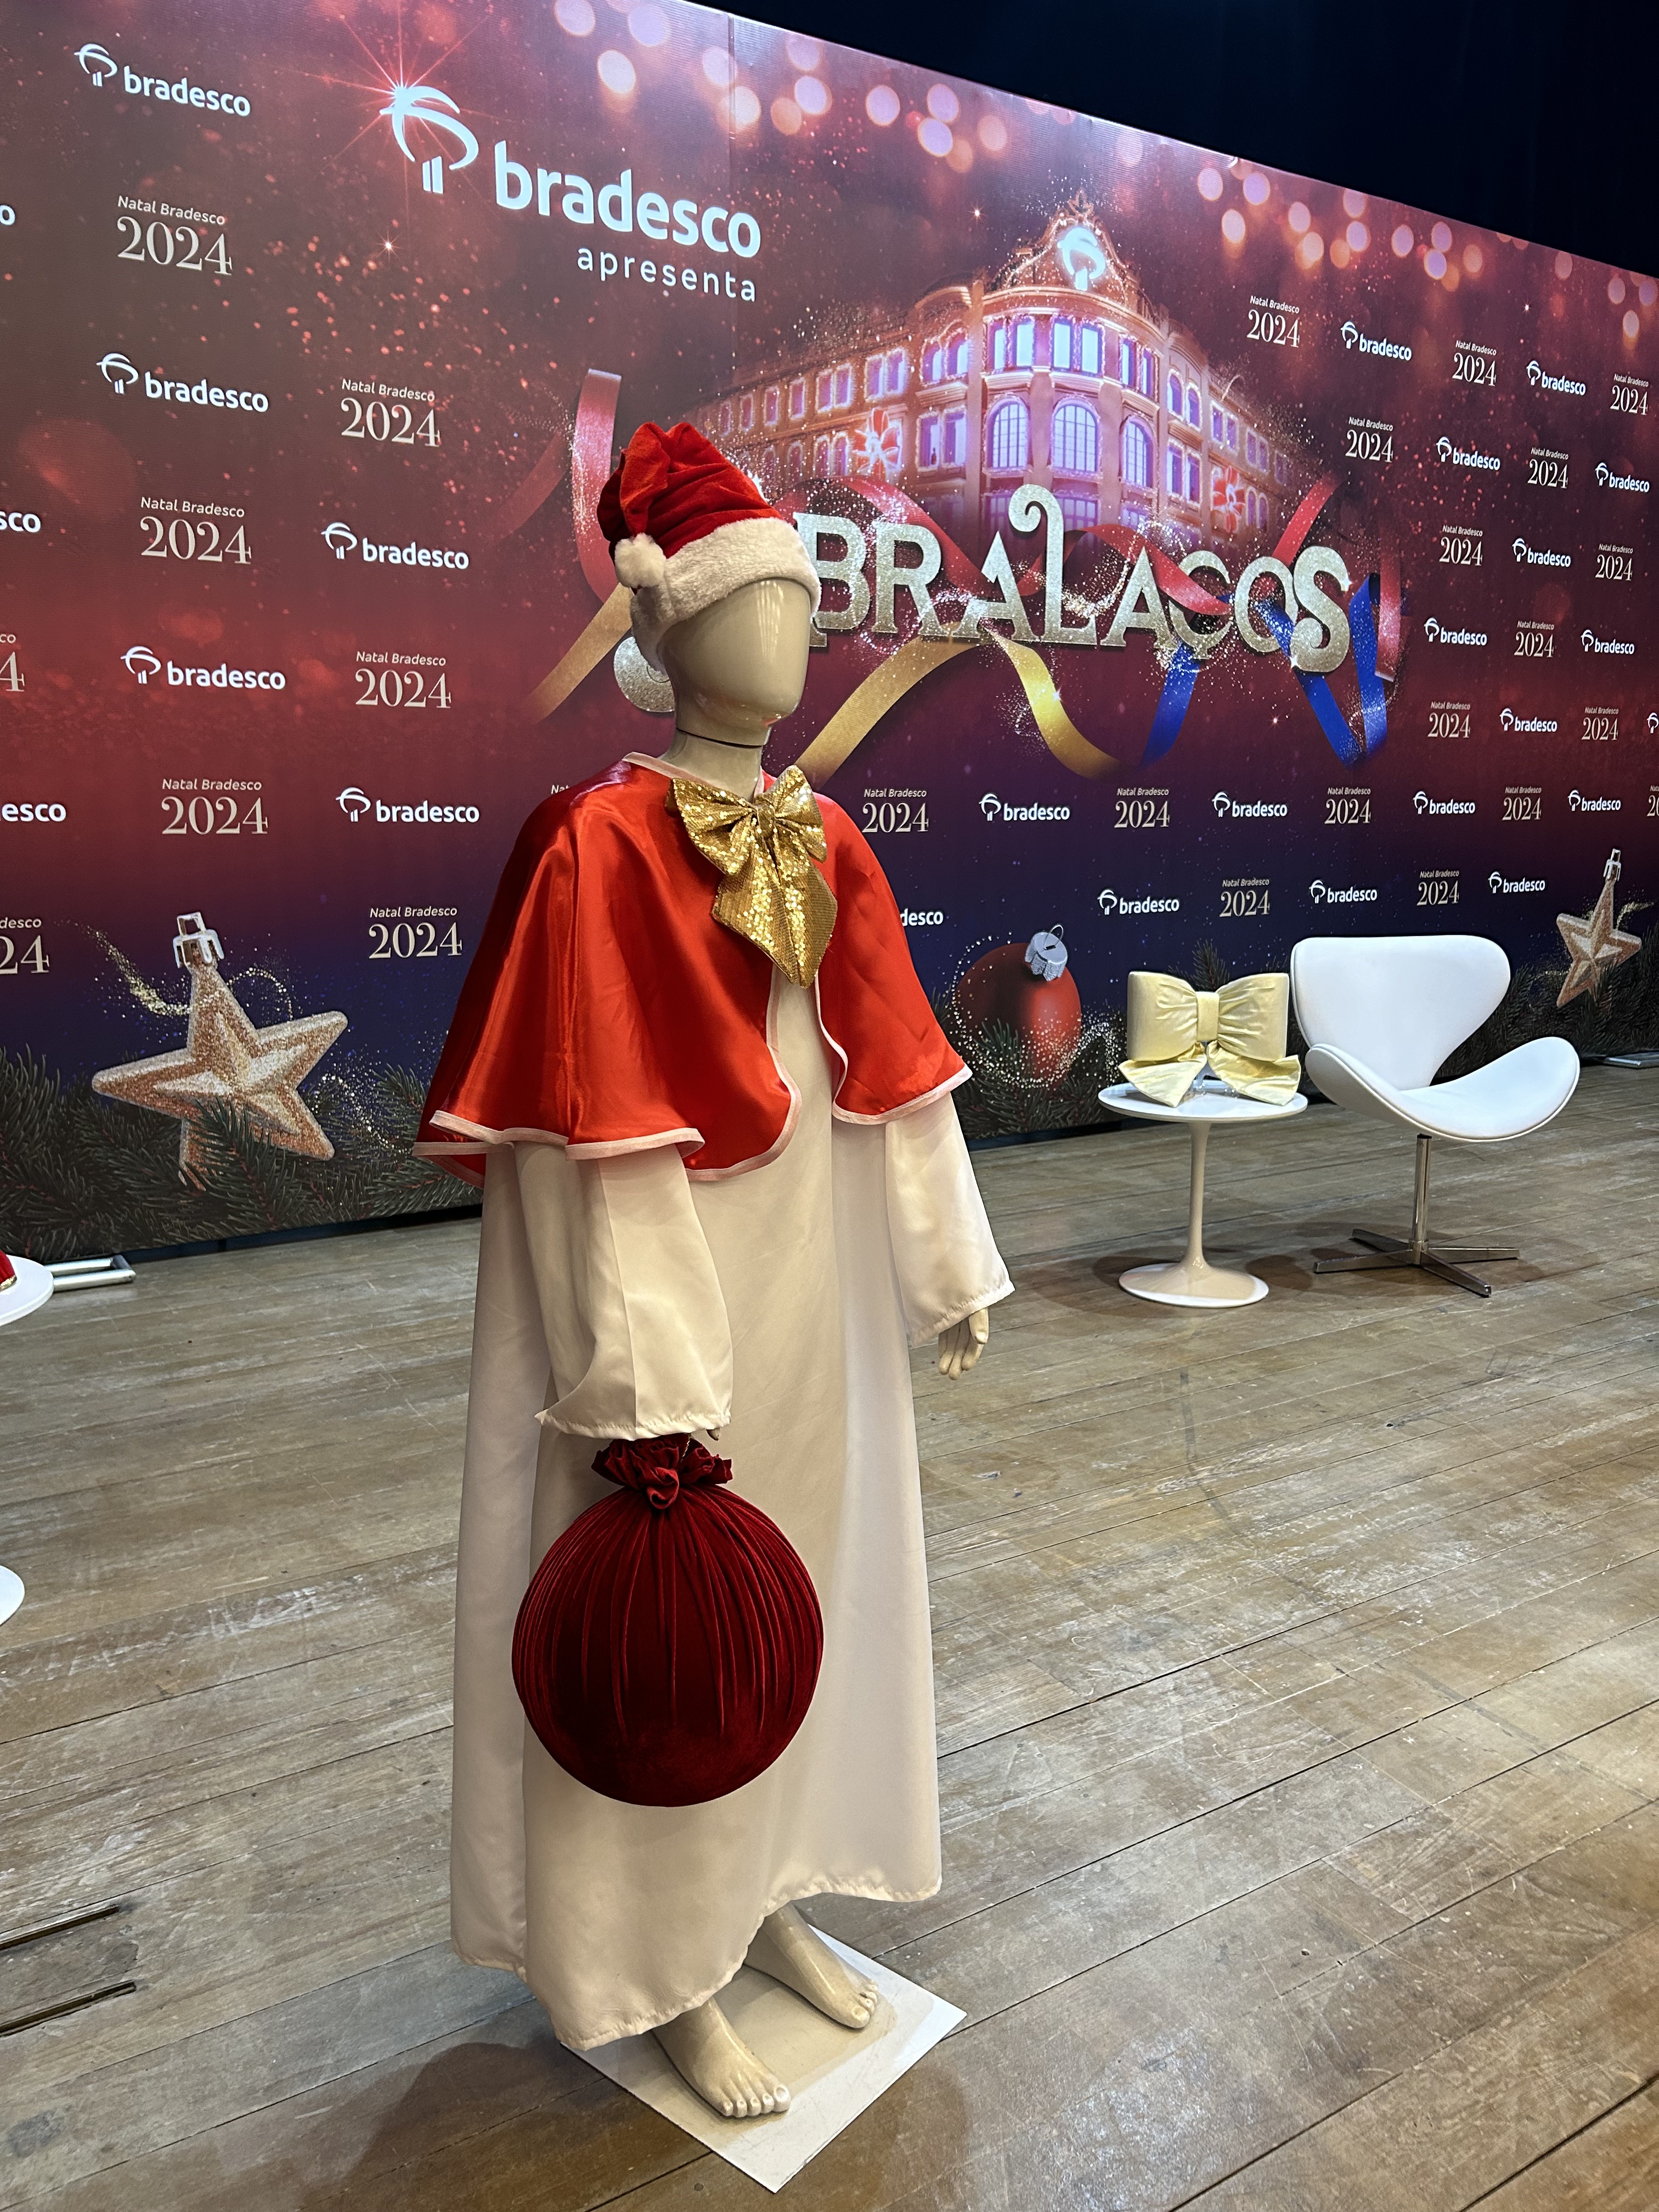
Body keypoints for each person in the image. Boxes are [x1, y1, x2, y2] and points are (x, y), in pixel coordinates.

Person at [417, 421, 1012, 2117]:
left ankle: (769, 1891)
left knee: (795, 1588)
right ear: (668, 624)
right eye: (756, 603)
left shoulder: (829, 838)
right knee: (664, 1620)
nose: (791, 635)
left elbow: (896, 1078)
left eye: (807, 605)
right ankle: (662, 1962)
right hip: (670, 1289)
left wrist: (942, 1268)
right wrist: (636, 1362)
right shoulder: (590, 845)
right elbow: (583, 1135)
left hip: (810, 1273)